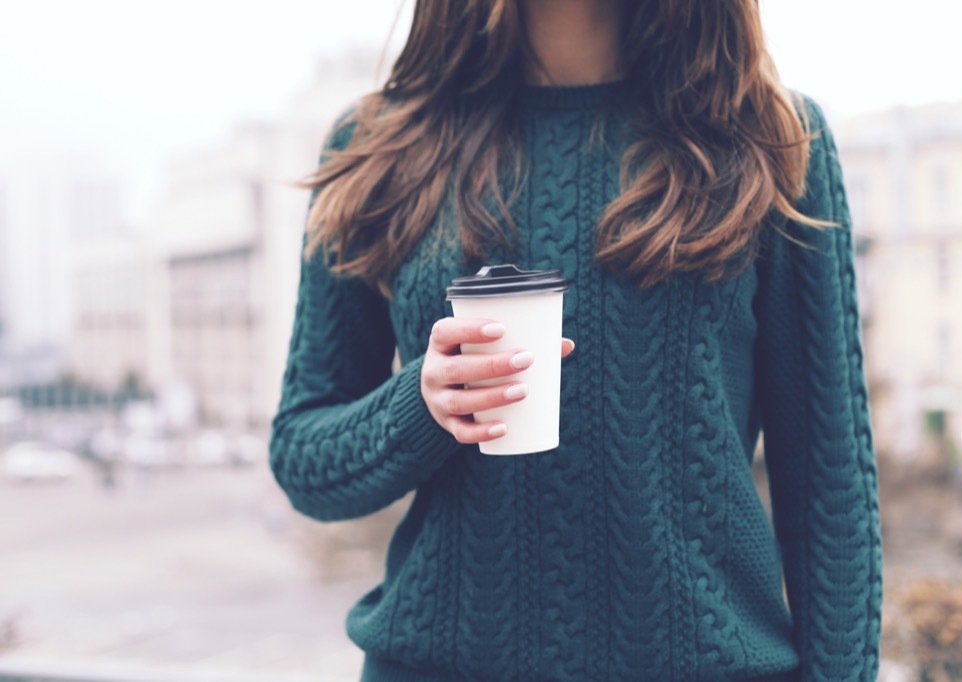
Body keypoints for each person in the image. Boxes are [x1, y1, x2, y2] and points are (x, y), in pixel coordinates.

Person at [269, 0, 883, 680]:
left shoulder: (770, 136)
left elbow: (830, 493)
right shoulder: (378, 144)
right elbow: (304, 456)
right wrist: (423, 405)